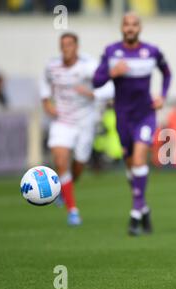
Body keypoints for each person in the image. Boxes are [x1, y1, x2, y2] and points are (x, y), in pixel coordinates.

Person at [93, 12, 172, 236]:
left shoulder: (152, 51)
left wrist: (163, 96)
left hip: (145, 114)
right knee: (131, 167)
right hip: (123, 116)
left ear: (140, 28)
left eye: (134, 24)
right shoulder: (111, 52)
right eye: (126, 24)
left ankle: (135, 215)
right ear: (121, 27)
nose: (130, 28)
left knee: (139, 158)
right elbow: (96, 81)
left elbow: (166, 73)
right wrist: (111, 73)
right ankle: (144, 207)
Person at [40, 32, 113, 226]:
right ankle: (73, 210)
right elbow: (45, 86)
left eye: (70, 44)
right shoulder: (52, 66)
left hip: (84, 122)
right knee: (60, 159)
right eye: (63, 45)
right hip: (62, 121)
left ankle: (64, 191)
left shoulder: (88, 66)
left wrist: (93, 93)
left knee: (79, 166)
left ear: (76, 47)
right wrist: (47, 104)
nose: (66, 48)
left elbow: (110, 87)